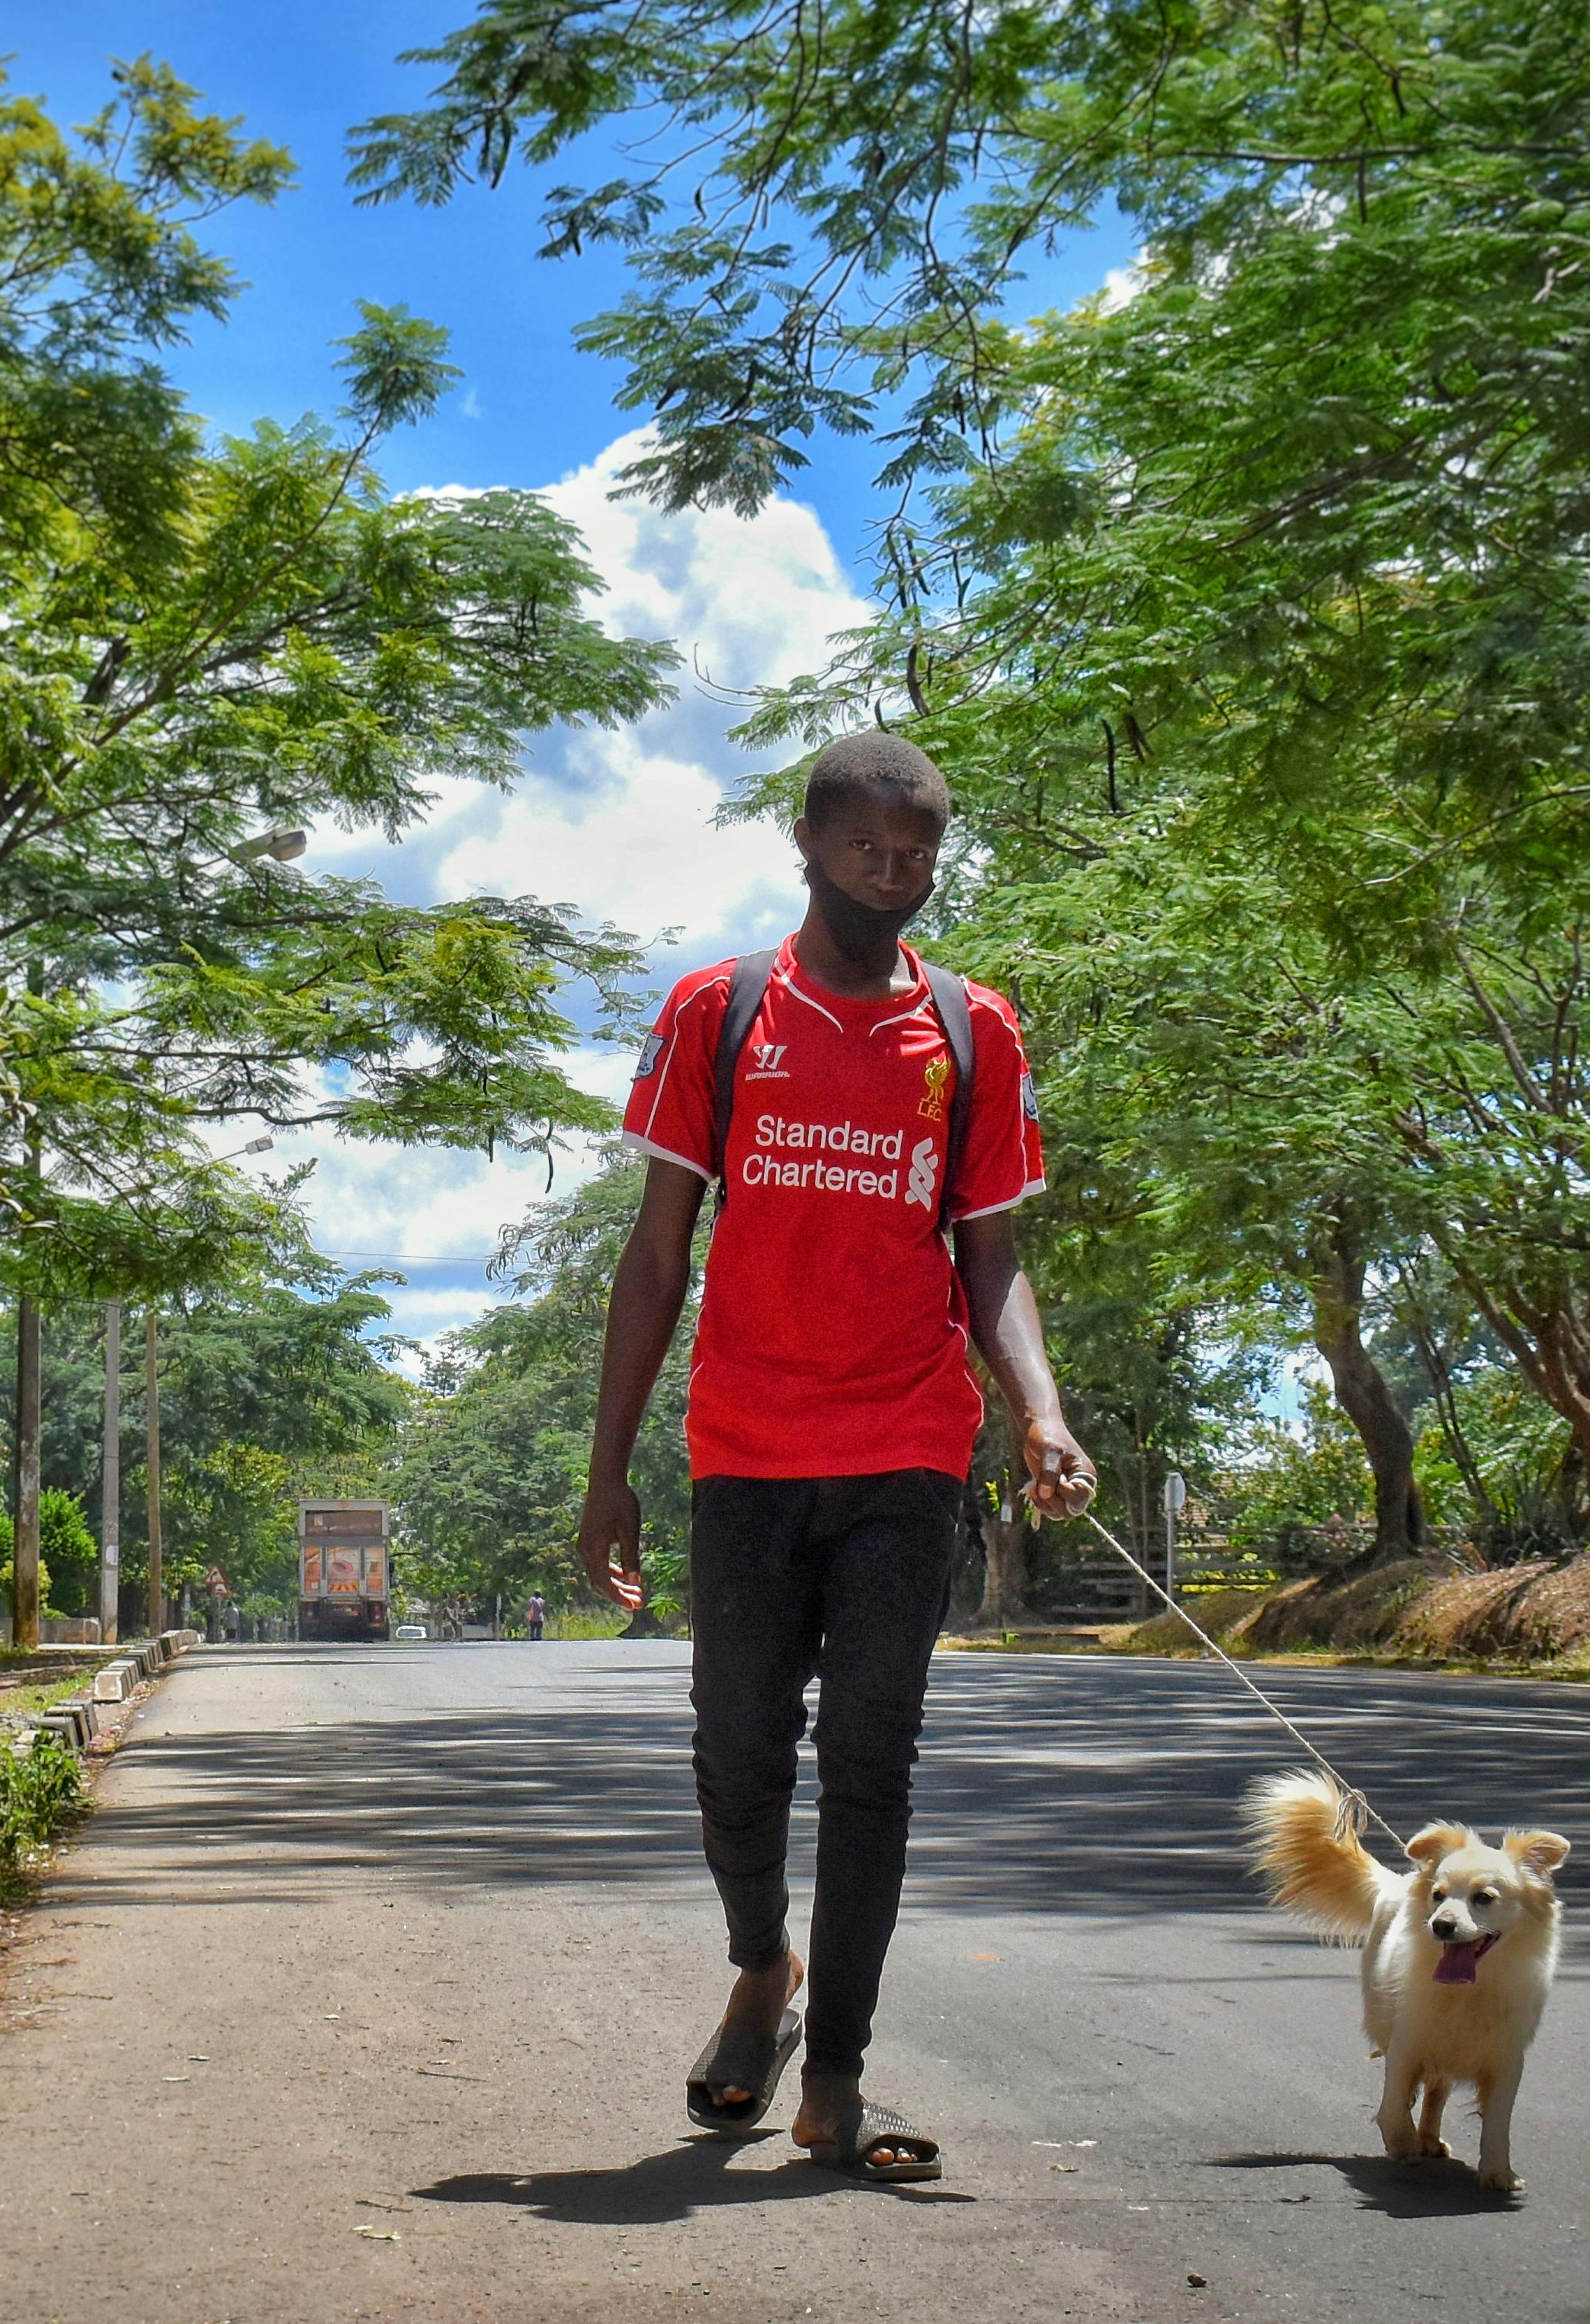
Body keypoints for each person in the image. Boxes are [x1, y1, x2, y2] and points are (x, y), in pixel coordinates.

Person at [581, 729, 1095, 2185]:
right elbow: (655, 1254)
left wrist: (1039, 1409)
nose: (897, 872)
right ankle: (764, 1970)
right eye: (869, 846)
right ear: (807, 844)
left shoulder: (975, 1030)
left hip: (907, 1449)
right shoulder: (722, 1011)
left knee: (871, 1761)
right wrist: (609, 1467)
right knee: (736, 1752)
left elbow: (989, 1250)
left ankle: (842, 2072)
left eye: (920, 850)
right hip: (744, 1446)